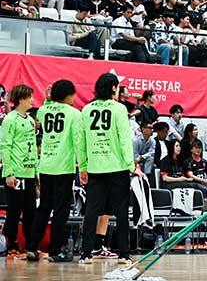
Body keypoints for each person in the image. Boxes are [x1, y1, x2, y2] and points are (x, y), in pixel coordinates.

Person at [77, 73, 141, 264]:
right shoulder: (119, 108)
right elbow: (124, 140)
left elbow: (82, 141)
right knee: (121, 212)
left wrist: (83, 166)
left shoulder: (86, 109)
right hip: (117, 167)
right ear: (113, 88)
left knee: (91, 211)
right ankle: (123, 254)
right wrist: (131, 165)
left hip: (96, 167)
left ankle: (86, 253)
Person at [25, 80, 82, 262]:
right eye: (73, 94)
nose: (74, 97)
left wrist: (49, 100)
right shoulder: (74, 113)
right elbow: (78, 141)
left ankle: (32, 247)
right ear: (67, 95)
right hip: (64, 166)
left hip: (46, 165)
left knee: (43, 208)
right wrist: (83, 165)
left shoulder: (43, 110)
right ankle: (55, 251)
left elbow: (47, 110)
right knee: (61, 210)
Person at [1, 85, 38, 259]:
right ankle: (11, 245)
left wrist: (36, 172)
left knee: (30, 211)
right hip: (15, 173)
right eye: (30, 97)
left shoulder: (30, 120)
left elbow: (33, 149)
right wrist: (8, 173)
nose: (32, 100)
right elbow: (5, 146)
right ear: (22, 99)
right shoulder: (10, 119)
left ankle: (30, 247)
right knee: (14, 211)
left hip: (29, 173)